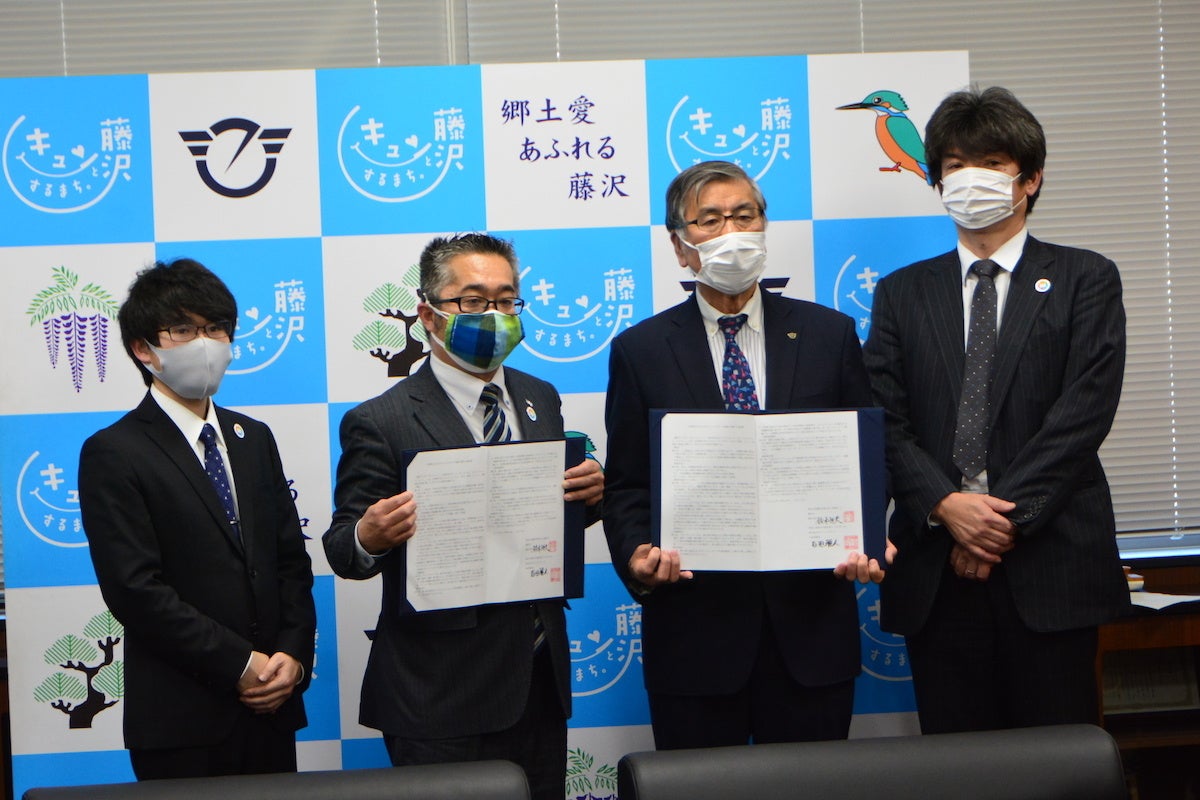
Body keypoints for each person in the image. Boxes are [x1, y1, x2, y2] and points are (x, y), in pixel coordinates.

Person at [863, 86, 1130, 733]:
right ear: (937, 181)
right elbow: (883, 418)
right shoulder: (902, 292)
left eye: (990, 163)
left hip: (1051, 567)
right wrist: (946, 506)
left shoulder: (1086, 279)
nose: (969, 179)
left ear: (1030, 178)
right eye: (955, 165)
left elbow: (1082, 415)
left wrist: (995, 525)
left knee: (1057, 764)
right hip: (936, 569)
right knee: (959, 767)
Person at [603, 160, 881, 750]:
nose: (730, 231)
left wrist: (868, 539)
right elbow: (627, 484)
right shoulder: (640, 351)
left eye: (744, 215)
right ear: (680, 247)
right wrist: (636, 556)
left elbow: (863, 461)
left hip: (811, 632)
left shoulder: (829, 335)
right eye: (709, 220)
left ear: (763, 226)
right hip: (694, 635)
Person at [322, 233, 603, 800]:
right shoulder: (380, 420)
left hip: (537, 681)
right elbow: (344, 547)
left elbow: (536, 517)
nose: (493, 315)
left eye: (506, 300)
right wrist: (370, 536)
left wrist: (589, 497)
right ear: (429, 315)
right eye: (473, 301)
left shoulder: (540, 397)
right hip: (438, 694)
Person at [78, 258, 315, 779]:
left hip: (272, 712)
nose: (205, 344)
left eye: (216, 329)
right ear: (144, 349)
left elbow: (290, 564)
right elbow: (135, 590)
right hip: (181, 721)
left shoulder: (254, 438)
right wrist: (240, 664)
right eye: (183, 330)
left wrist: (292, 657)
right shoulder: (114, 451)